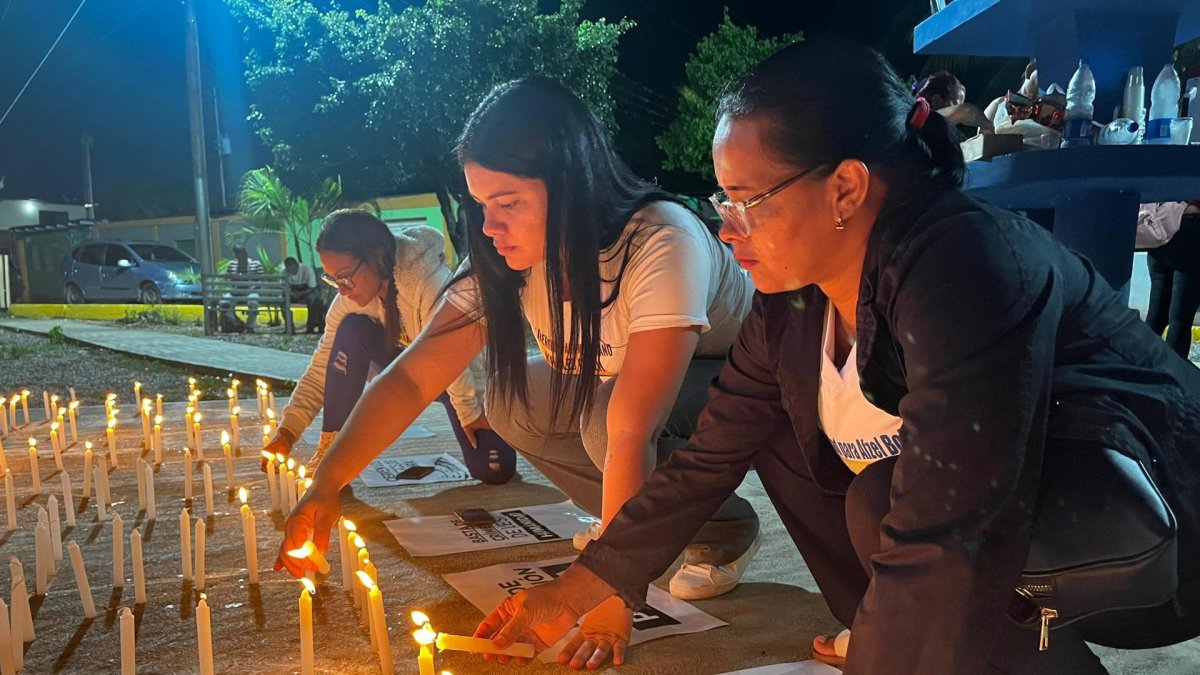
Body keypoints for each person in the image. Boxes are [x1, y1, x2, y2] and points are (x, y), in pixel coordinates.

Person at [472, 39, 1200, 674]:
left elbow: (951, 527)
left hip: (1161, 532)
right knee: (797, 445)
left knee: (891, 500)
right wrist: (586, 583)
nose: (727, 230)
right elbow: (707, 458)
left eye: (744, 199)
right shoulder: (794, 304)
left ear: (846, 186)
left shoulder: (965, 265)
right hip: (1032, 532)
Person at [276, 76, 763, 640]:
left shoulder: (659, 241)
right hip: (626, 392)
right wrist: (326, 484)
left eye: (508, 204)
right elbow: (413, 376)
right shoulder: (507, 258)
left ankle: (720, 529)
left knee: (608, 419)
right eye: (481, 203)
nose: (489, 226)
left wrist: (607, 593)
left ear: (571, 187)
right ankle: (643, 530)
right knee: (510, 400)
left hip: (741, 382)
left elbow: (633, 425)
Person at [266, 210, 517, 484]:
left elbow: (454, 355)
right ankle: (332, 450)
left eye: (345, 276)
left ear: (375, 259)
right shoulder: (350, 300)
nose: (342, 289)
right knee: (351, 330)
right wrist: (287, 432)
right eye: (332, 279)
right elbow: (322, 367)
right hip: (407, 375)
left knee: (494, 469)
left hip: (457, 375)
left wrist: (471, 412)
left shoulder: (427, 282)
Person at [1142, 201, 1200, 358]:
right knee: (1180, 320)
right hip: (1191, 230)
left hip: (1160, 234)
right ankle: (1172, 375)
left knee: (1156, 316)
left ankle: (1135, 367)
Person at [912, 70, 994, 133]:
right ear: (937, 100)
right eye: (955, 104)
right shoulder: (922, 121)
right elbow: (966, 111)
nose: (958, 122)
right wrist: (986, 125)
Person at [220, 245, 264, 332]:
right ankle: (236, 321)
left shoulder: (256, 264)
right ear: (235, 256)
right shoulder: (231, 264)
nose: (241, 259)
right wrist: (234, 279)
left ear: (246, 254)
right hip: (235, 291)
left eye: (242, 256)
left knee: (253, 302)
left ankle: (250, 326)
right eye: (238, 256)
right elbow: (227, 281)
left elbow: (261, 280)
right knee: (223, 302)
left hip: (251, 291)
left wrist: (251, 282)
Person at [283, 256, 326, 334]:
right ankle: (289, 327)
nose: (292, 272)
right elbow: (284, 287)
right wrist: (293, 294)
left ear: (297, 265)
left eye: (293, 270)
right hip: (293, 292)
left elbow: (312, 286)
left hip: (308, 290)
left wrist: (300, 293)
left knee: (312, 300)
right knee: (283, 301)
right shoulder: (284, 272)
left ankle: (310, 327)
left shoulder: (307, 269)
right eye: (290, 271)